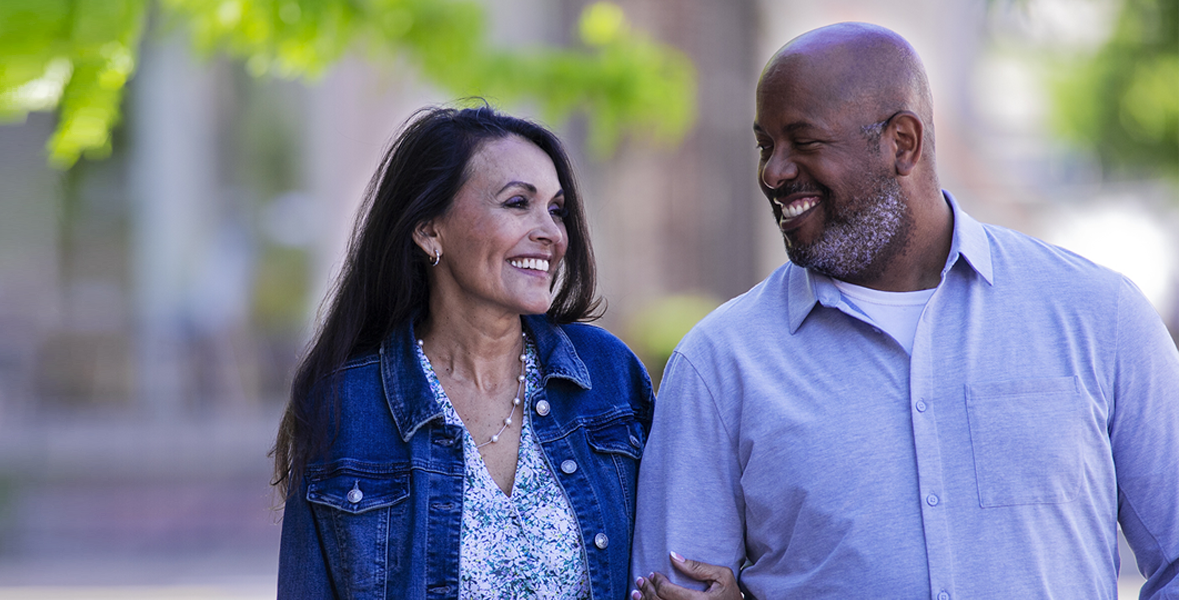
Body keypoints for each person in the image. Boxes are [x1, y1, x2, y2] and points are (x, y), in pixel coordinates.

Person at [630, 22, 1179, 600]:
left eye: (804, 141)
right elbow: (669, 589)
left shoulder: (1098, 317)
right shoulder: (718, 364)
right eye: (766, 146)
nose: (772, 172)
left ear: (903, 143)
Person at [275, 104, 701, 599]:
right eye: (518, 203)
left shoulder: (607, 375)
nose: (551, 233)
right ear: (429, 229)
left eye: (556, 210)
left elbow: (677, 559)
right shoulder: (347, 404)